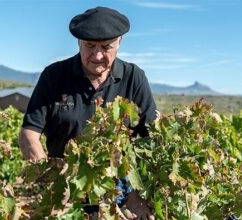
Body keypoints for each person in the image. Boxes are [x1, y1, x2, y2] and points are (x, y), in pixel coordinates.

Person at [18, 6, 156, 219]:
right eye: (89, 46)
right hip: (65, 187)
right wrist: (55, 188)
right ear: (78, 43)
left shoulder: (134, 78)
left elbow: (151, 140)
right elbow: (29, 135)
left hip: (119, 193)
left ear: (120, 42)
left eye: (106, 46)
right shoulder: (54, 76)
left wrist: (137, 194)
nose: (97, 55)